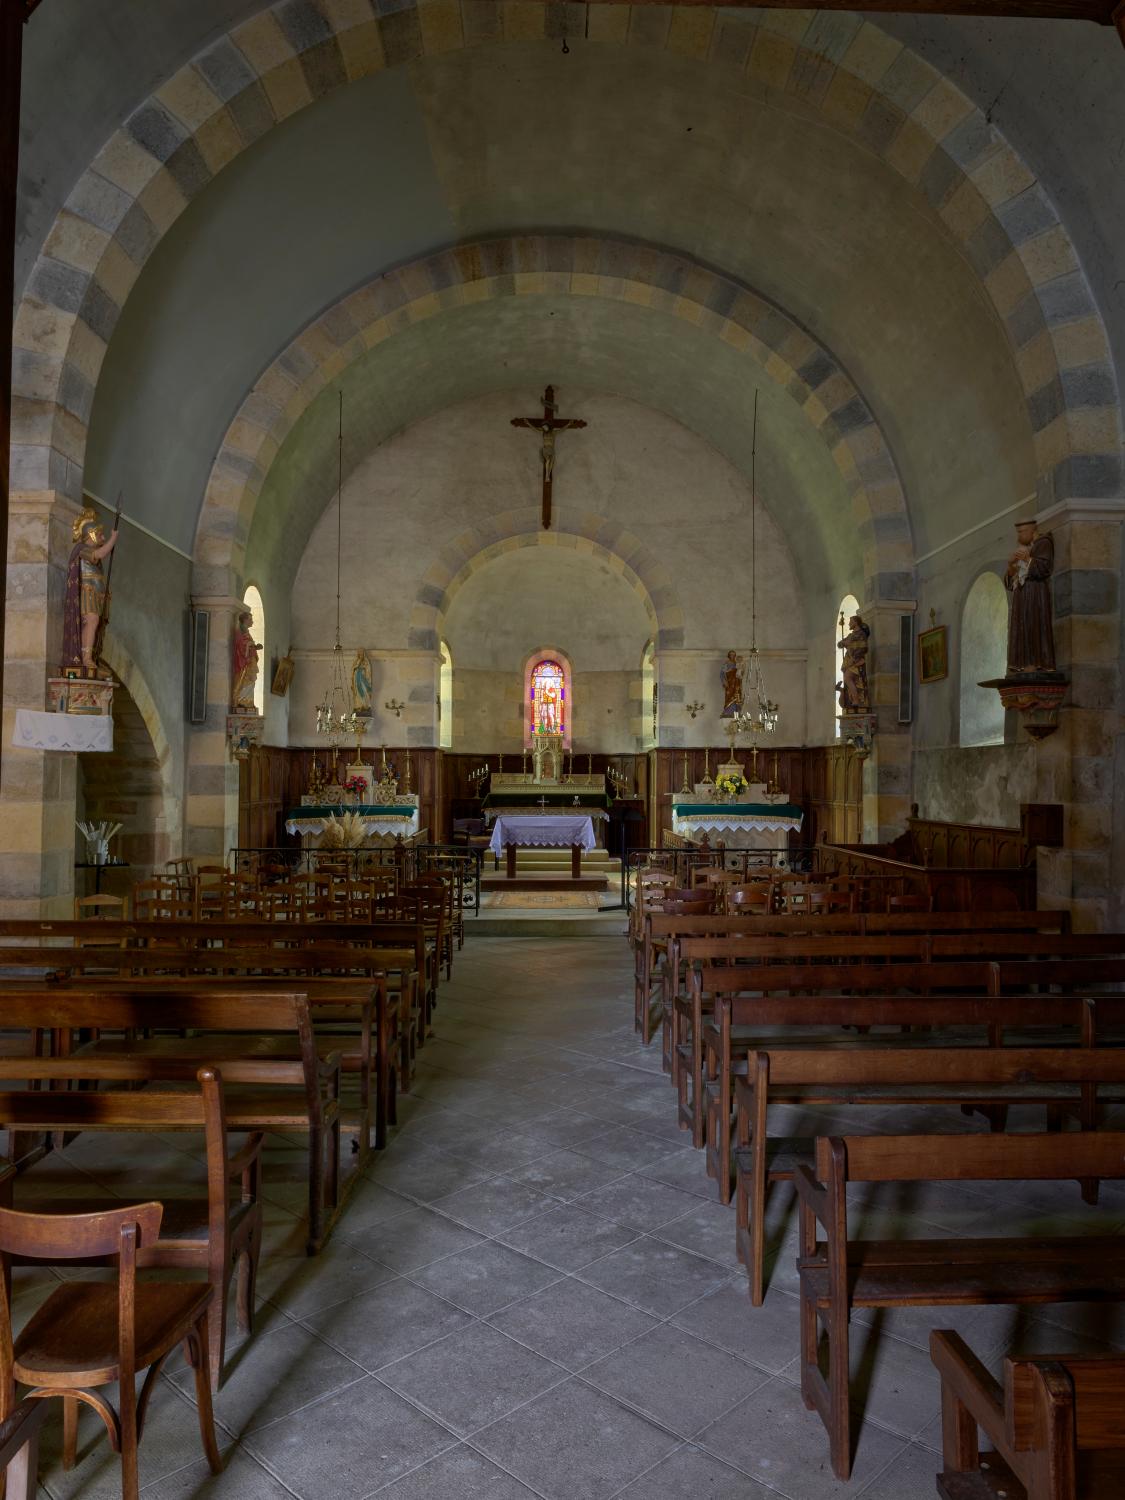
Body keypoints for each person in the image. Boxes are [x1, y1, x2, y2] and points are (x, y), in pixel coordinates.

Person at [62, 507, 118, 676]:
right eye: (99, 534)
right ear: (91, 534)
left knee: (97, 624)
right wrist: (113, 539)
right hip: (87, 594)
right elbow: (99, 554)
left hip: (96, 594)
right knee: (92, 620)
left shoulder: (91, 554)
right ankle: (86, 658)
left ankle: (93, 656)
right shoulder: (82, 549)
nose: (102, 537)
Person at [1005, 519, 1056, 673]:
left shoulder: (1043, 543)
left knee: (1033, 625)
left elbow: (1044, 568)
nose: (1019, 536)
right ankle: (1023, 663)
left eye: (1021, 532)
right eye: (1018, 533)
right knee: (1022, 627)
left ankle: (1035, 661)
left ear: (1031, 530)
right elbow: (1010, 583)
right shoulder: (1027, 548)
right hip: (1023, 597)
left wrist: (1028, 559)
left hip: (1035, 595)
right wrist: (1010, 565)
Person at [837, 614, 871, 712]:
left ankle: (856, 701)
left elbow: (863, 647)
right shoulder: (851, 635)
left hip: (856, 661)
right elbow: (839, 644)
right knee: (848, 680)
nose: (849, 623)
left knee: (848, 678)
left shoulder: (861, 634)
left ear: (856, 623)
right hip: (849, 661)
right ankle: (853, 700)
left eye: (851, 621)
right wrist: (844, 643)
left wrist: (850, 646)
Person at [231, 610, 261, 711]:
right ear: (245, 620)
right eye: (250, 619)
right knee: (246, 680)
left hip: (250, 661)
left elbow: (247, 644)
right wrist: (249, 645)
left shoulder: (247, 633)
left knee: (252, 681)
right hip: (245, 662)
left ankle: (248, 701)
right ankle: (242, 700)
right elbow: (240, 647)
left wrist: (254, 646)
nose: (252, 621)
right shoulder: (239, 632)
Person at [720, 650, 744, 718]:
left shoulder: (738, 664)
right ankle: (728, 711)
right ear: (729, 656)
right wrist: (724, 682)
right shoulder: (726, 664)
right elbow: (722, 674)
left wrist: (741, 671)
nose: (732, 656)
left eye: (734, 655)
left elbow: (740, 674)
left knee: (737, 695)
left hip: (736, 683)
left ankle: (737, 710)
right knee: (729, 696)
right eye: (731, 655)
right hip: (730, 684)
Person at [351, 648, 372, 715]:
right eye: (359, 654)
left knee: (364, 690)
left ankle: (365, 706)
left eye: (362, 654)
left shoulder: (366, 661)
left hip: (363, 679)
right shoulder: (356, 661)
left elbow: (368, 671)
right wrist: (356, 667)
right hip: (356, 679)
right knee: (357, 693)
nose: (361, 655)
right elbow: (353, 670)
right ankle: (358, 706)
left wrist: (363, 668)